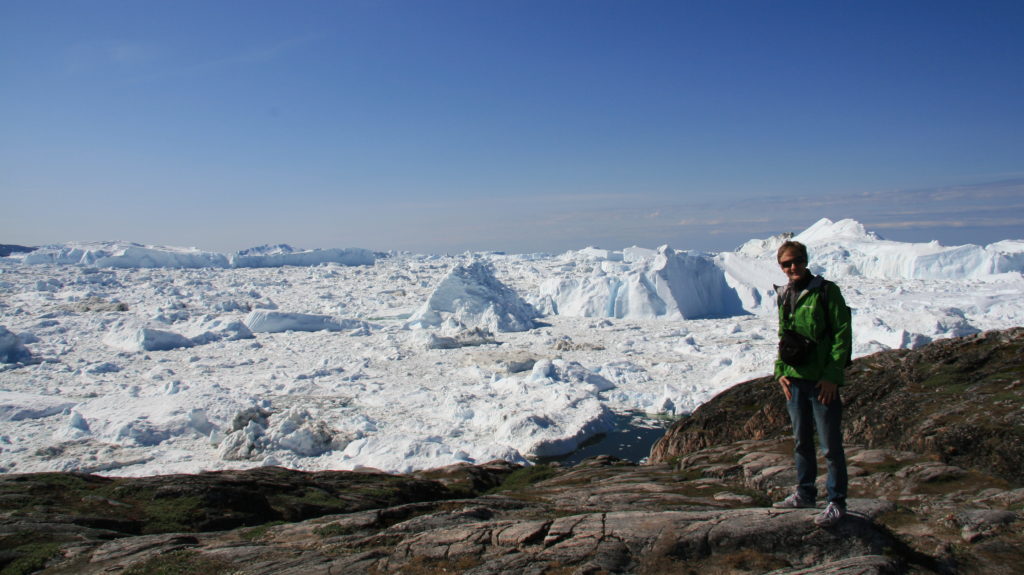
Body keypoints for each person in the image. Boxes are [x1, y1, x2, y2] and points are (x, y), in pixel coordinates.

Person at [771, 240, 852, 528]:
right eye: (786, 264)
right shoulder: (784, 294)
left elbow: (843, 335)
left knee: (830, 445)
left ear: (806, 260)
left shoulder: (827, 292)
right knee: (802, 442)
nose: (793, 267)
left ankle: (836, 501)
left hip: (820, 382)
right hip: (794, 380)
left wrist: (832, 376)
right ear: (781, 267)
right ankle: (805, 493)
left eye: (797, 261)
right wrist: (780, 369)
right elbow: (785, 336)